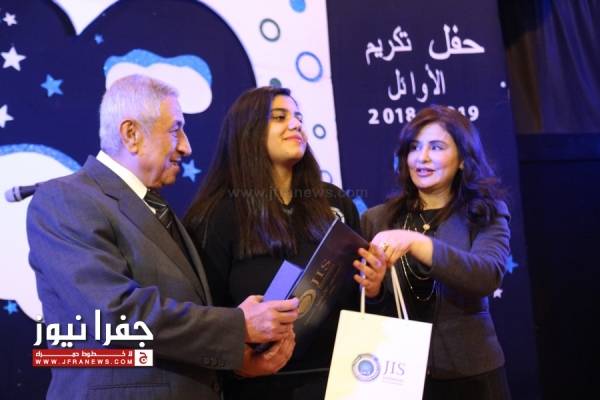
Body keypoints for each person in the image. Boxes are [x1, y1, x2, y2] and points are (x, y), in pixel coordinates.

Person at [26, 75, 300, 400]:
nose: (186, 146)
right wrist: (238, 325)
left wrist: (236, 362)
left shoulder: (156, 207)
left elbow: (176, 330)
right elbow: (115, 314)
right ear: (131, 134)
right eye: (175, 130)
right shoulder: (66, 199)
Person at [183, 86, 385, 399]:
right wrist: (239, 362)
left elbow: (360, 302)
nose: (296, 124)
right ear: (248, 131)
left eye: (298, 117)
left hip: (344, 380)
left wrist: (372, 289)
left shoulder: (334, 202)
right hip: (260, 387)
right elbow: (204, 315)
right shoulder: (215, 215)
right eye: (280, 117)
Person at [361, 105, 512, 400]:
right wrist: (374, 290)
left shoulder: (485, 212)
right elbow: (363, 305)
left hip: (472, 377)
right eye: (414, 147)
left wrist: (417, 243)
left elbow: (486, 276)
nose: (423, 157)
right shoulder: (377, 220)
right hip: (397, 375)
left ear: (462, 160)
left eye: (437, 147)